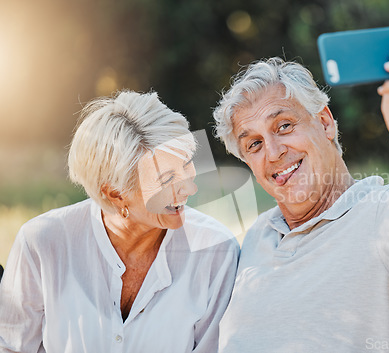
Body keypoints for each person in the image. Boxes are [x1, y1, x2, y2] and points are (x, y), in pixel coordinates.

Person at [213, 36, 389, 352]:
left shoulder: (386, 210)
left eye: (283, 126)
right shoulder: (255, 238)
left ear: (324, 123)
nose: (273, 152)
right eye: (254, 144)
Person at [0, 90, 239, 352]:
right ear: (115, 194)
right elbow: (13, 347)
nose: (190, 189)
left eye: (186, 164)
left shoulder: (216, 250)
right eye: (167, 180)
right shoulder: (42, 243)